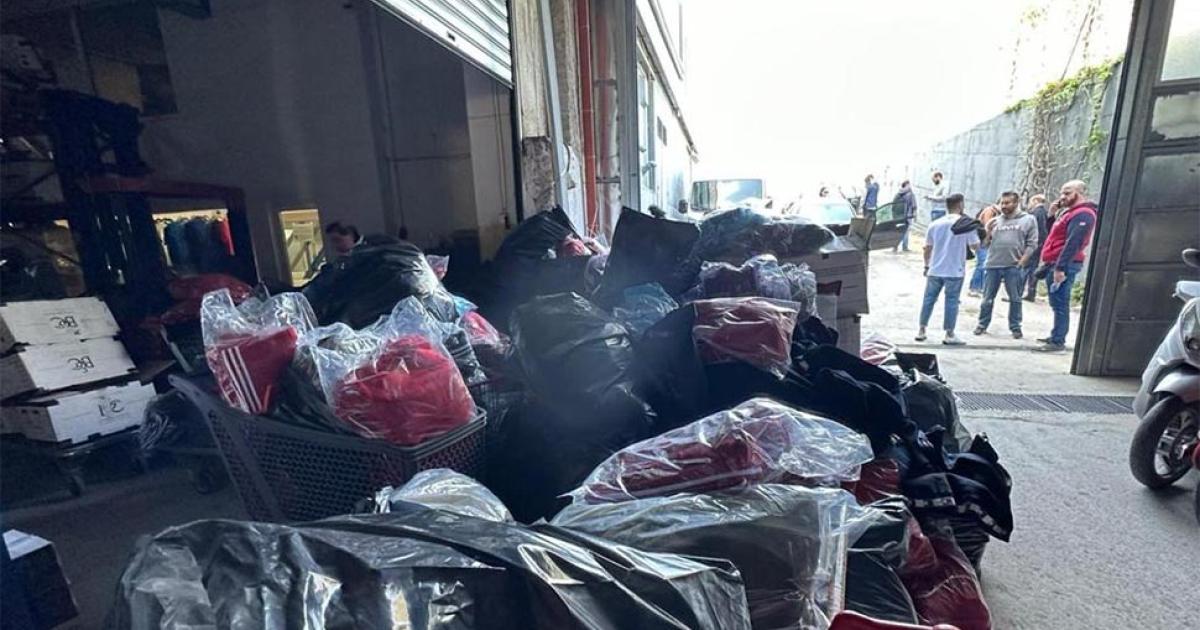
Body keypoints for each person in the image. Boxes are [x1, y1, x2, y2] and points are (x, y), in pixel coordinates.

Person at [1033, 179, 1098, 353]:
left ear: (1080, 193)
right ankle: (1056, 335)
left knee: (1061, 303)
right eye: (1062, 192)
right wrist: (1051, 216)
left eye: (1067, 193)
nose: (1062, 196)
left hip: (1065, 264)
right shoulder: (1068, 212)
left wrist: (1060, 268)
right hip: (1056, 262)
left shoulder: (1083, 214)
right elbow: (1054, 236)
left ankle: (1058, 341)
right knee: (1056, 302)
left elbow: (1073, 243)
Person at [974, 191, 1039, 339]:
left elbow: (1032, 243)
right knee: (987, 298)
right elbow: (984, 244)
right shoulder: (995, 221)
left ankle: (1015, 327)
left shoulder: (1028, 220)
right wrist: (988, 231)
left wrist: (1023, 261)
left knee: (1015, 299)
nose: (1003, 206)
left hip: (1013, 266)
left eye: (1007, 203)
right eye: (1002, 203)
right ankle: (982, 324)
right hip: (993, 264)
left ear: (1016, 203)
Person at [917, 193, 979, 345]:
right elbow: (975, 246)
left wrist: (926, 265)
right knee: (951, 301)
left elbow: (927, 248)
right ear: (961, 205)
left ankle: (921, 330)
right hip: (955, 270)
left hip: (935, 269)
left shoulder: (935, 224)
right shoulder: (966, 225)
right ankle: (949, 334)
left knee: (928, 300)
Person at [967, 203, 1001, 296]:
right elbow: (987, 227)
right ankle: (975, 287)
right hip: (983, 241)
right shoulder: (990, 211)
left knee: (985, 264)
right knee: (982, 263)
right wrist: (987, 239)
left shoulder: (997, 213)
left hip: (988, 241)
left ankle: (980, 287)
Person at [1022, 194, 1050, 301]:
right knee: (1032, 268)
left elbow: (1038, 230)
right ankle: (1031, 292)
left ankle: (1018, 292)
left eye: (1031, 201)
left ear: (1036, 201)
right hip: (1039, 244)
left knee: (1025, 267)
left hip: (1034, 244)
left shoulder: (1037, 213)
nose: (1030, 204)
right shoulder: (1043, 213)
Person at [892, 180, 917, 253]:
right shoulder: (910, 194)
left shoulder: (898, 193)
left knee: (898, 231)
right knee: (906, 231)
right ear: (907, 185)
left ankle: (895, 246)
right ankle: (905, 247)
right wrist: (915, 215)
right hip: (907, 215)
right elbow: (914, 205)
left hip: (898, 216)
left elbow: (893, 205)